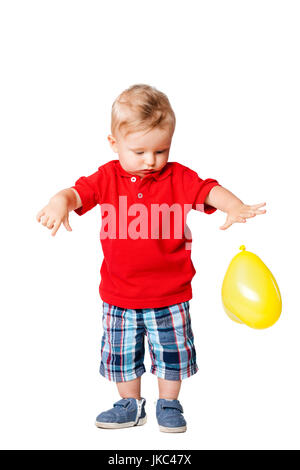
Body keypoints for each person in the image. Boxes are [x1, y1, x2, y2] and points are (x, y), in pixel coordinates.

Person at [36, 84, 266, 432]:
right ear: (114, 144)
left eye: (161, 150)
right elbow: (73, 193)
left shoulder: (177, 177)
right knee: (122, 356)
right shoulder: (106, 177)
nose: (150, 160)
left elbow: (208, 189)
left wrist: (233, 206)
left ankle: (169, 403)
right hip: (119, 294)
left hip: (170, 294)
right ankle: (130, 404)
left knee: (172, 354)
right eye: (139, 150)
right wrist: (59, 202)